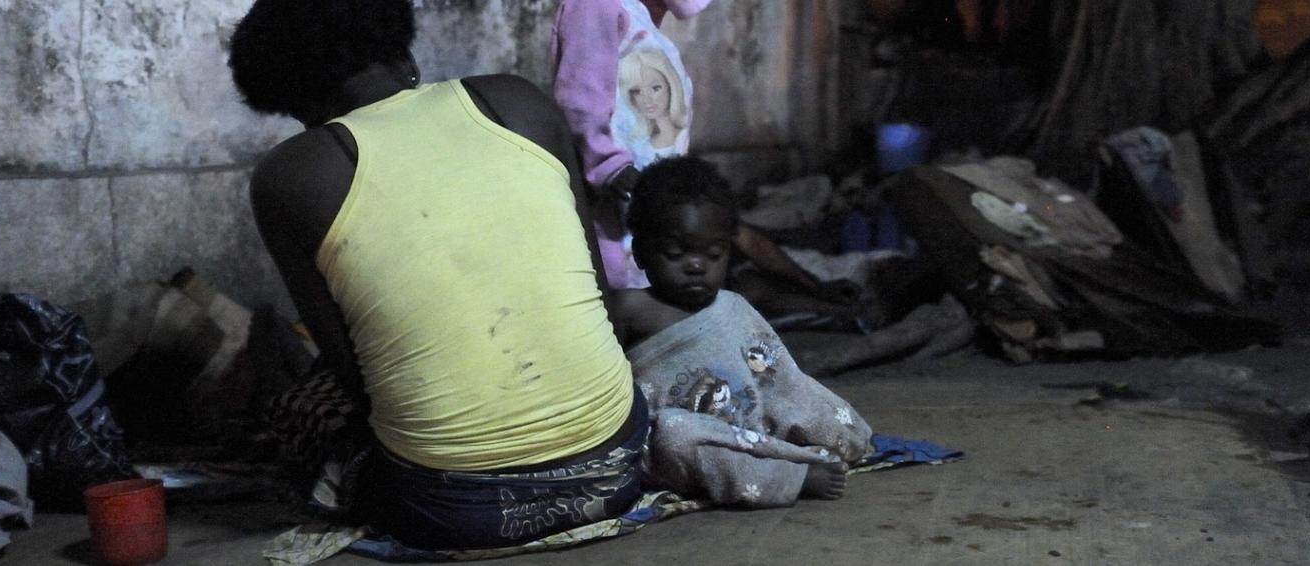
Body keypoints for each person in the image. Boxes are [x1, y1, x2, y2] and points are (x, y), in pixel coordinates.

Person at [228, 0, 646, 550]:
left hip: (451, 510)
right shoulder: (516, 102)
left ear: (295, 101)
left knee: (305, 403)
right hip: (617, 467)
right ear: (404, 52)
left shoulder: (292, 174)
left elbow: (354, 377)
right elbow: (601, 296)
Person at [554, 0, 864, 321]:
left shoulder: (646, 31)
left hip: (655, 219)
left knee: (715, 281)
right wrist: (609, 165)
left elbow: (731, 230)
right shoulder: (595, 5)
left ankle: (831, 309)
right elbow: (581, 97)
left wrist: (815, 286)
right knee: (652, 311)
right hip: (621, 234)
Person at [606, 156, 872, 507]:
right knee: (673, 436)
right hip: (691, 442)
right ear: (641, 254)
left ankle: (806, 448)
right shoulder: (629, 309)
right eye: (675, 253)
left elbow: (781, 382)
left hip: (753, 427)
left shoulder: (733, 307)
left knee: (814, 405)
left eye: (713, 254)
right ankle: (787, 476)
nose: (697, 265)